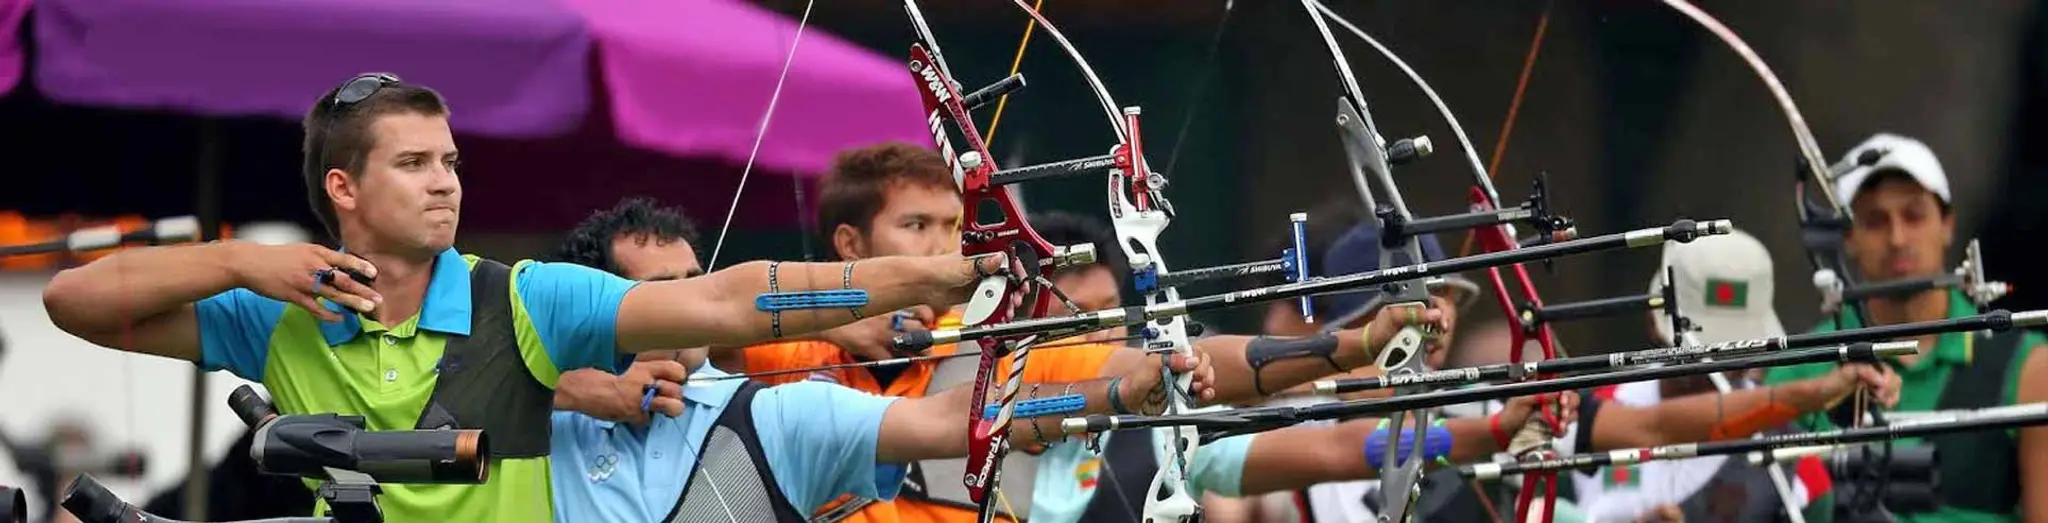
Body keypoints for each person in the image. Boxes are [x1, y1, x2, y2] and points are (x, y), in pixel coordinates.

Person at [37, 74, 1000, 523]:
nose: (446, 182)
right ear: (343, 189)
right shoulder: (278, 309)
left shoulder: (527, 298)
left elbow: (732, 304)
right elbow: (76, 302)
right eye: (412, 164)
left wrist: (939, 274)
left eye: (449, 161)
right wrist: (245, 259)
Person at [714, 141, 1457, 523]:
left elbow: (1174, 361)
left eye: (953, 228)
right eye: (916, 226)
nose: (944, 248)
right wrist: (841, 314)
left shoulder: (993, 351)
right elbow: (687, 325)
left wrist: (1354, 346)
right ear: (849, 244)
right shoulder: (782, 344)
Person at [539, 196, 1219, 523]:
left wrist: (1129, 387)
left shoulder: (768, 413)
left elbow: (955, 419)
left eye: (697, 282)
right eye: (663, 296)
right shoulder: (532, 415)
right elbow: (438, 392)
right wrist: (576, 391)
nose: (693, 304)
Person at [1760, 133, 2048, 523]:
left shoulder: (2030, 366)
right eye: (1875, 221)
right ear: (1849, 239)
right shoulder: (1798, 365)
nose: (1897, 239)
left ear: (1947, 225)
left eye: (1914, 216)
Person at [1571, 229, 1838, 523]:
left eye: (1737, 349)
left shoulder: (1795, 465)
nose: (1719, 367)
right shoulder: (1584, 420)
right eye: (1704, 348)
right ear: (1652, 323)